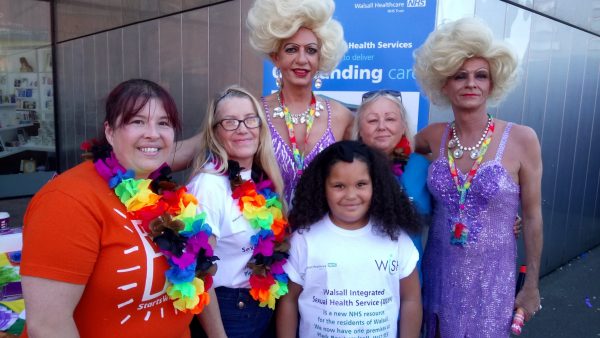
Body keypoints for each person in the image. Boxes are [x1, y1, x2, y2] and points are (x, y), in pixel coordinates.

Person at [20, 79, 217, 337]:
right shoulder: (67, 200)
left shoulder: (167, 195)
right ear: (110, 132)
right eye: (137, 121)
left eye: (164, 123)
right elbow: (48, 326)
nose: (153, 133)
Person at [412, 17, 543, 337]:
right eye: (460, 76)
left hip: (492, 279)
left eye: (480, 75)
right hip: (440, 271)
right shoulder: (431, 137)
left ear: (493, 83)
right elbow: (383, 150)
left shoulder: (522, 139)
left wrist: (531, 286)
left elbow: (532, 215)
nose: (471, 83)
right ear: (444, 83)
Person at [277, 140, 422, 338]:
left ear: (375, 185)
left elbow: (411, 299)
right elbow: (289, 301)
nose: (351, 195)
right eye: (339, 186)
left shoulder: (396, 238)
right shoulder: (304, 240)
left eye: (361, 184)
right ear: (323, 187)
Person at [186, 85, 289, 337]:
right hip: (227, 312)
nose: (242, 128)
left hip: (260, 306)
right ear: (215, 133)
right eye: (230, 122)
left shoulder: (259, 179)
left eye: (250, 120)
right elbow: (197, 272)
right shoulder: (208, 186)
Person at [246, 0, 354, 205]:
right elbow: (208, 144)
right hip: (265, 231)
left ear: (320, 59)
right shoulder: (254, 111)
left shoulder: (342, 116)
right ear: (276, 57)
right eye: (292, 49)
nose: (302, 59)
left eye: (311, 50)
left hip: (322, 232)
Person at [353, 89, 432, 282]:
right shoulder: (348, 168)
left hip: (407, 282)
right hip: (356, 281)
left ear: (403, 126)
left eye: (390, 119)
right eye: (372, 120)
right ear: (360, 131)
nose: (382, 127)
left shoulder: (423, 167)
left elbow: (449, 213)